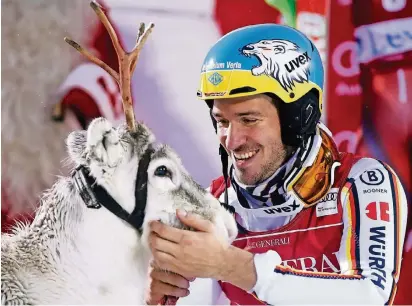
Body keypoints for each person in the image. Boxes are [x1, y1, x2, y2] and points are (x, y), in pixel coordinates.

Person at [146, 24, 409, 305]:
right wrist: (156, 299)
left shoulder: (361, 182)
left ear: (299, 117)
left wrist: (233, 266)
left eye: (249, 120)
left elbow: (370, 296)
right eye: (222, 121)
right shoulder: (212, 206)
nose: (232, 141)